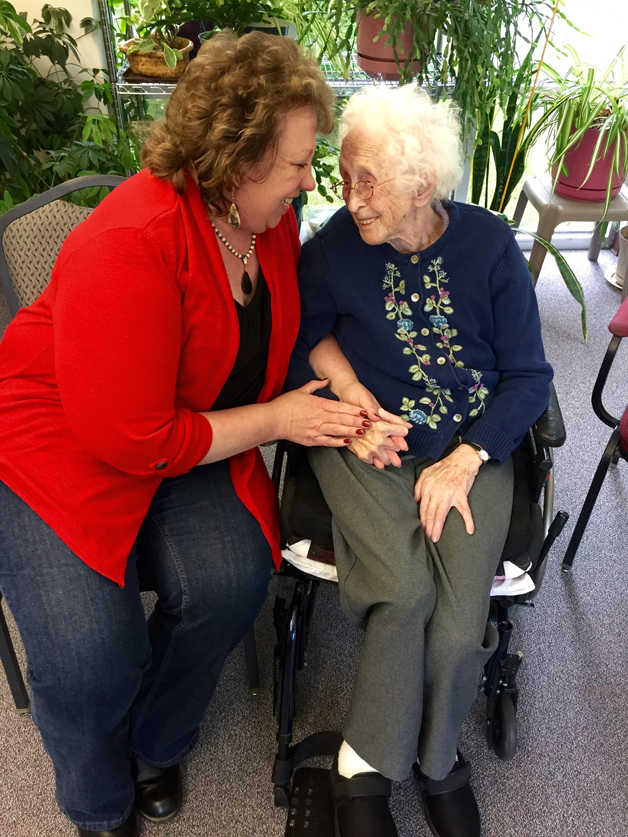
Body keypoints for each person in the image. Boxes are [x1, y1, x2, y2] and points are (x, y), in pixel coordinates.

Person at [0, 32, 383, 837]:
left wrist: (353, 393)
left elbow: (285, 329)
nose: (307, 180)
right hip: (59, 437)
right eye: (295, 163)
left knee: (230, 580)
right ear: (235, 160)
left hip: (186, 415)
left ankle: (155, 740)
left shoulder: (265, 220)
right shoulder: (131, 244)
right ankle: (99, 805)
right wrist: (280, 420)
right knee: (87, 658)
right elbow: (133, 438)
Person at [285, 83, 553, 837]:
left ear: (421, 184)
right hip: (365, 436)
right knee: (404, 592)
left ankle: (439, 762)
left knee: (462, 624)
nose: (351, 198)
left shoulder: (490, 246)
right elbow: (306, 333)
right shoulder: (336, 248)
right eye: (344, 177)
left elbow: (530, 376)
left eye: (367, 181)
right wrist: (352, 393)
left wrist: (468, 455)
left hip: (470, 444)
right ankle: (363, 774)